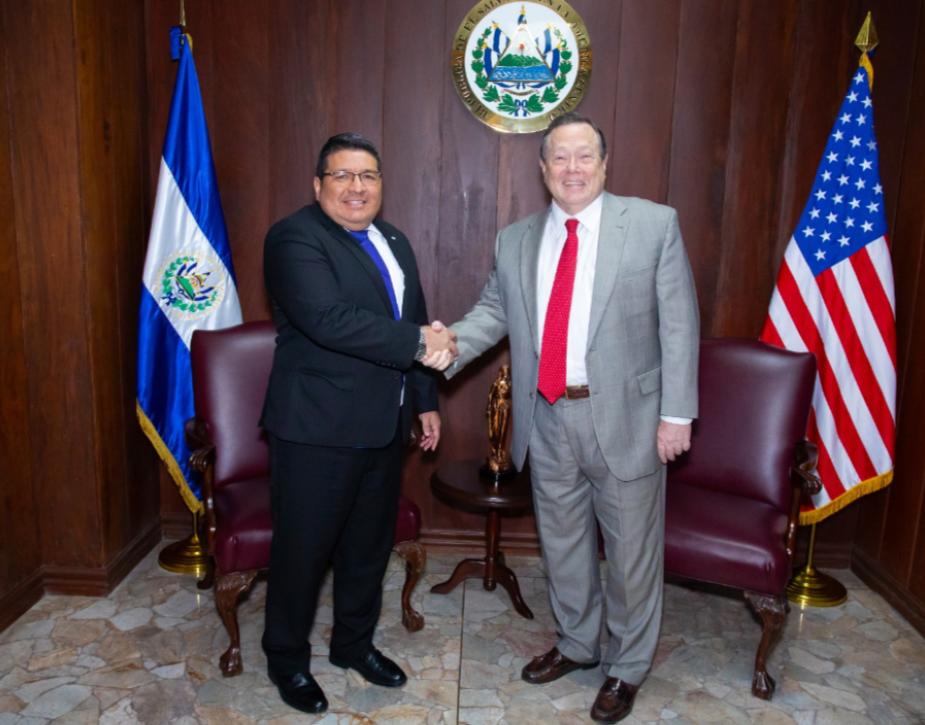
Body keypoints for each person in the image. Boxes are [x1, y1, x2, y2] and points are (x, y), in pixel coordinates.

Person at [445, 112, 699, 723]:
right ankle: (581, 645)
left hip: (631, 419)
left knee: (633, 554)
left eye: (584, 156)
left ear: (605, 164)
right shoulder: (517, 239)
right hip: (547, 417)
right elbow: (492, 312)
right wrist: (444, 344)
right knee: (562, 546)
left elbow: (680, 325)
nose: (572, 169)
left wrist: (677, 416)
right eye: (559, 158)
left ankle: (627, 666)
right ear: (542, 169)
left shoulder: (653, 225)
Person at [259, 132, 457, 714]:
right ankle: (287, 660)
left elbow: (412, 318)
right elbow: (330, 320)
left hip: (383, 426)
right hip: (316, 428)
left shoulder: (392, 239)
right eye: (342, 175)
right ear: (318, 184)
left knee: (368, 549)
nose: (356, 187)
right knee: (303, 551)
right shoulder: (294, 237)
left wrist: (424, 399)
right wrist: (423, 341)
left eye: (367, 176)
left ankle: (352, 645)